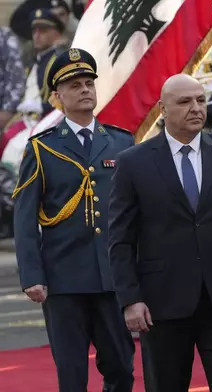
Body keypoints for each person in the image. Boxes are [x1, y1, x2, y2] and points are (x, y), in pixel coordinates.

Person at [108, 73, 212, 392]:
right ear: (162, 109)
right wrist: (130, 299)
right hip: (161, 304)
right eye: (184, 102)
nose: (196, 108)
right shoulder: (133, 163)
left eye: (200, 100)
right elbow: (121, 238)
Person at [13, 48, 135, 392]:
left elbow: (136, 212)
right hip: (63, 280)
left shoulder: (121, 143)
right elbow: (24, 219)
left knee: (122, 369)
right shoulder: (42, 148)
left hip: (112, 278)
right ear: (57, 97)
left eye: (88, 83)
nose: (84, 90)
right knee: (72, 375)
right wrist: (32, 276)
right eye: (74, 85)